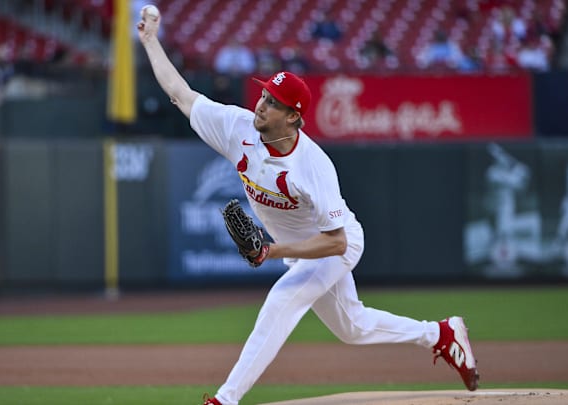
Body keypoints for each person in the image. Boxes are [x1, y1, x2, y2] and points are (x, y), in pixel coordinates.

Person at [136, 9, 479, 405]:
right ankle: (440, 334)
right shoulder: (238, 128)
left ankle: (225, 399)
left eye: (274, 102)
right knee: (353, 326)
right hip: (301, 250)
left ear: (293, 117)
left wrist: (273, 251)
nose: (262, 105)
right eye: (264, 95)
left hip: (338, 243)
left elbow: (334, 243)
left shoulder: (312, 166)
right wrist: (150, 41)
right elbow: (181, 94)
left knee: (282, 300)